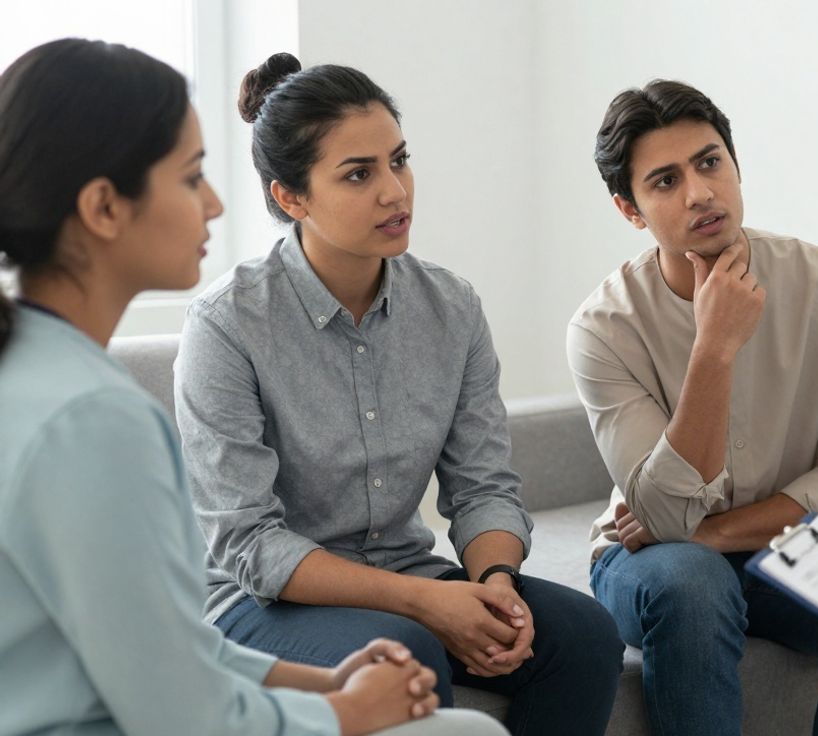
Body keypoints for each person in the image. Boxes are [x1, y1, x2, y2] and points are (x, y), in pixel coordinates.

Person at [0, 38, 508, 736]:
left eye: (399, 160)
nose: (213, 204)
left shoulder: (41, 374)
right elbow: (177, 708)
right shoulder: (95, 418)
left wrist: (327, 686)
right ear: (104, 208)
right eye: (191, 178)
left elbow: (163, 648)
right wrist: (340, 713)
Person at [173, 53, 622, 735]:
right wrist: (423, 603)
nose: (395, 191)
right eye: (359, 174)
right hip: (259, 601)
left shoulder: (452, 307)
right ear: (290, 197)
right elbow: (249, 543)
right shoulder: (226, 325)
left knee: (584, 635)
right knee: (409, 653)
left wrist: (495, 586)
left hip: (406, 571)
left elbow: (483, 485)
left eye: (399, 160)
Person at [568, 79, 818, 736]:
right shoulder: (603, 328)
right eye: (665, 181)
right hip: (648, 560)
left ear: (736, 165)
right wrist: (713, 348)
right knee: (694, 582)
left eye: (710, 162)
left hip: (784, 544)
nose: (699, 193)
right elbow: (664, 519)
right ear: (630, 209)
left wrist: (715, 532)